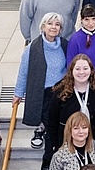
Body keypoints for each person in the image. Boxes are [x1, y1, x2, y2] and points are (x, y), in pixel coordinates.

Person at [13, 12, 68, 160]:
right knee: (51, 127)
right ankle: (48, 158)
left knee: (60, 126)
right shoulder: (33, 47)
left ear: (60, 29)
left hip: (61, 94)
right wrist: (18, 93)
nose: (53, 27)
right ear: (43, 26)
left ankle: (60, 157)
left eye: (57, 24)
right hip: (43, 94)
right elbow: (24, 71)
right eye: (50, 23)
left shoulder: (65, 45)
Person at [47, 55, 95, 170]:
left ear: (91, 70)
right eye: (77, 69)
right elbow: (52, 123)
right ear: (71, 71)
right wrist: (56, 146)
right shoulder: (60, 93)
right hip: (69, 147)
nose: (81, 72)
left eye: (85, 68)